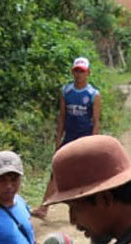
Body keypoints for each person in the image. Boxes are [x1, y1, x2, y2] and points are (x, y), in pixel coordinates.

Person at [32, 57, 102, 220]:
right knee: (56, 170)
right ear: (73, 72)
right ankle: (44, 207)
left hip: (84, 139)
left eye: (82, 72)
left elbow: (96, 121)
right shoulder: (66, 91)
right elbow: (62, 117)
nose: (79, 75)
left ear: (88, 73)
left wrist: (94, 142)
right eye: (76, 71)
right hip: (69, 137)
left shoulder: (93, 94)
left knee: (85, 174)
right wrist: (58, 139)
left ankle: (89, 209)